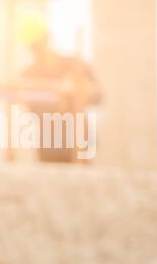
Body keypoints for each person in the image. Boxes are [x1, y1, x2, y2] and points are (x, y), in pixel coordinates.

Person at [16, 11, 101, 163]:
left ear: (48, 38)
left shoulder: (75, 65)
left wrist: (82, 92)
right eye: (34, 46)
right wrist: (58, 97)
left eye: (39, 43)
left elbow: (99, 97)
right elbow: (31, 107)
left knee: (81, 175)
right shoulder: (28, 75)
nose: (38, 49)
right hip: (50, 145)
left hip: (79, 141)